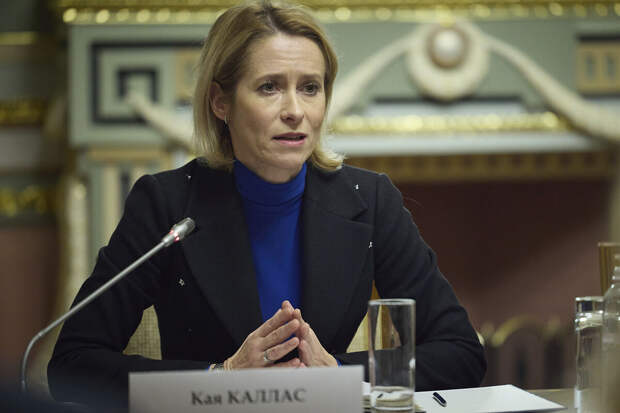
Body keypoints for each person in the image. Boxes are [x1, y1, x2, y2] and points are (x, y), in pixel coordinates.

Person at [48, 0, 486, 409]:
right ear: (221, 102)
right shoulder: (167, 203)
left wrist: (338, 374)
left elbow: (461, 352)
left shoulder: (369, 200)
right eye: (269, 87)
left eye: (310, 88)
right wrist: (221, 378)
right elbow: (72, 365)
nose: (295, 110)